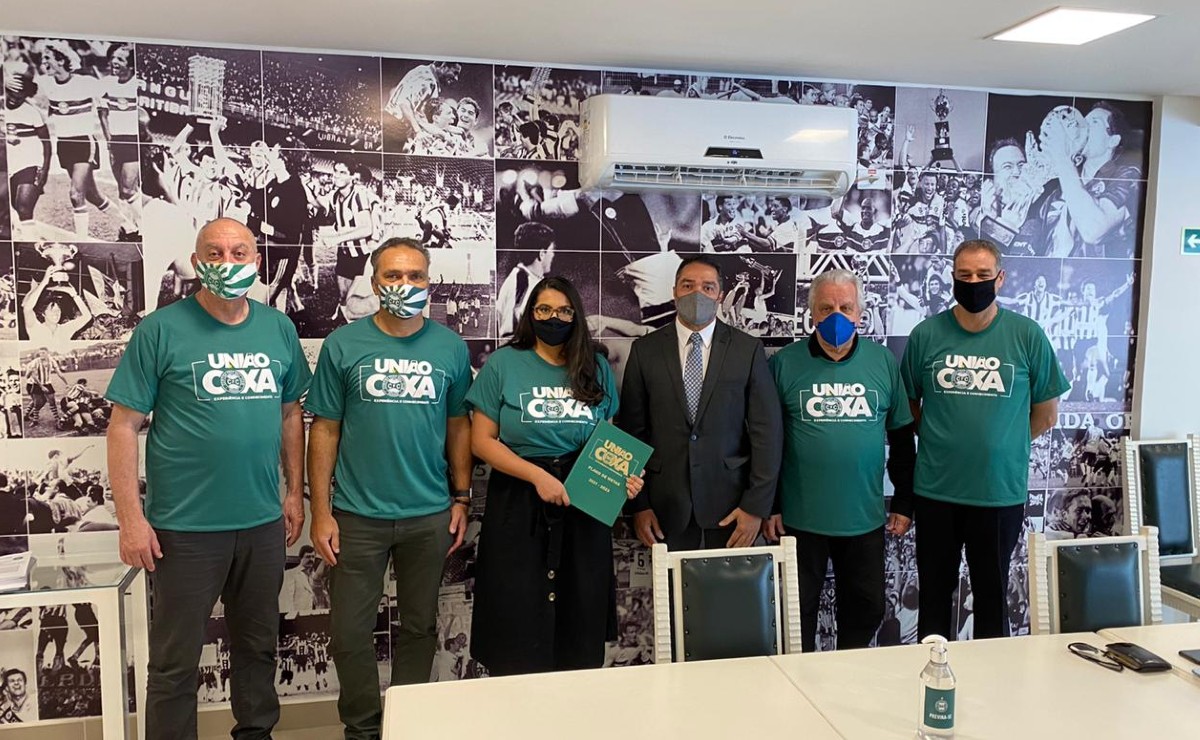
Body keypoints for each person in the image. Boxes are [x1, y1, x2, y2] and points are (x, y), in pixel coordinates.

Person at [105, 217, 311, 739]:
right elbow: (123, 426)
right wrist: (131, 520)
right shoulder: (160, 330)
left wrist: (294, 493)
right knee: (174, 664)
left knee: (257, 650)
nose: (227, 262)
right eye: (214, 254)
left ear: (256, 262)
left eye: (239, 253)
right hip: (185, 529)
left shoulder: (278, 329)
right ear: (196, 264)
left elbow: (291, 413)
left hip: (261, 523)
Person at [305, 237, 472, 739]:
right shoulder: (343, 344)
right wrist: (321, 511)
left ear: (429, 281)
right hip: (358, 516)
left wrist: (462, 497)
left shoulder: (450, 347)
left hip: (428, 515)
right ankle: (361, 729)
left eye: (415, 275)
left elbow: (459, 425)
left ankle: (407, 726)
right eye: (393, 275)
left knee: (420, 628)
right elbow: (325, 428)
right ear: (374, 283)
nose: (405, 284)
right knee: (350, 632)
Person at [466, 275, 641, 675]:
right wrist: (537, 476)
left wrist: (626, 478)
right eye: (544, 309)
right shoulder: (504, 363)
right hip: (518, 501)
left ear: (576, 316)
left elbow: (607, 439)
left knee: (579, 613)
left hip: (582, 501)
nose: (553, 318)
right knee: (517, 612)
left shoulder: (596, 366)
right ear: (531, 314)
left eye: (564, 311)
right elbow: (482, 441)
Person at [900, 239, 1069, 641]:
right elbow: (908, 406)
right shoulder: (926, 334)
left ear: (1000, 278)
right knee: (934, 596)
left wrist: (1003, 443)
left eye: (982, 274)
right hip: (937, 490)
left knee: (992, 597)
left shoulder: (1027, 335)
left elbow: (1046, 414)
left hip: (997, 493)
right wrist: (943, 437)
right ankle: (930, 674)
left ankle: (993, 677)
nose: (973, 282)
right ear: (952, 277)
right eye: (965, 275)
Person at [763, 269, 915, 652]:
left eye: (846, 307)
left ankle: (848, 676)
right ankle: (798, 682)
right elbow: (767, 442)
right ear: (812, 313)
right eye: (826, 307)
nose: (836, 315)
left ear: (860, 314)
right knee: (796, 616)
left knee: (867, 609)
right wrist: (772, 505)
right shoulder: (784, 364)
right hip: (800, 520)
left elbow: (901, 438)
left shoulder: (882, 362)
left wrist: (904, 501)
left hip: (863, 519)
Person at [619, 256, 783, 550]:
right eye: (688, 285)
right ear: (674, 291)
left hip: (732, 508)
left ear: (720, 295)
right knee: (670, 582)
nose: (697, 294)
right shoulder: (645, 351)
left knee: (728, 582)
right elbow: (631, 434)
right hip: (664, 508)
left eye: (708, 287)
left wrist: (756, 507)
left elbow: (767, 434)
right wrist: (639, 506)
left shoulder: (747, 350)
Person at [495, 223, 555, 338]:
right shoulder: (520, 282)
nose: (553, 255)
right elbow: (508, 334)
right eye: (551, 251)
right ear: (542, 254)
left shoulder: (533, 280)